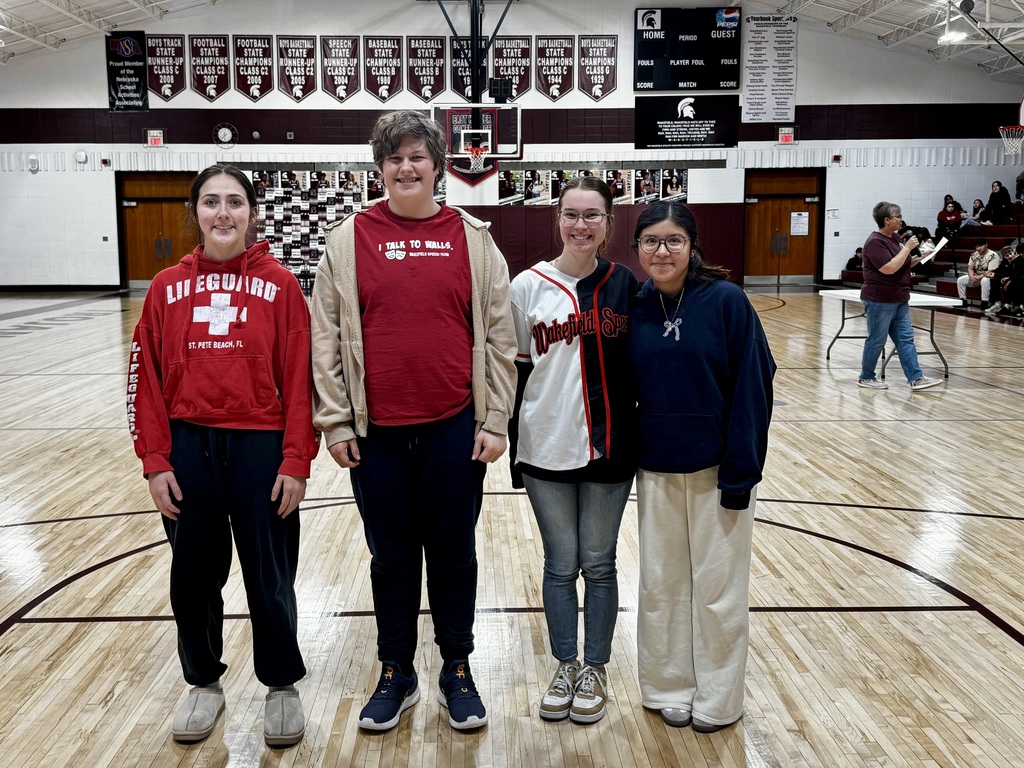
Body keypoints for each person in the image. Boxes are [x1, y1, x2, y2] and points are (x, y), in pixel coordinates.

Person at [310, 110, 517, 733]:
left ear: (438, 167)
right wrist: (336, 422)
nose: (407, 167)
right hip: (377, 437)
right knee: (391, 558)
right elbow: (326, 337)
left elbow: (502, 337)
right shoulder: (347, 241)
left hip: (457, 426)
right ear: (381, 168)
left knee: (454, 555)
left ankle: (457, 668)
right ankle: (396, 671)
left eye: (418, 157)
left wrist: (496, 418)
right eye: (395, 158)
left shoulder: (474, 240)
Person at [126, 163, 318, 747]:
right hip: (189, 447)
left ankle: (282, 684)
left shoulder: (281, 285)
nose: (223, 213)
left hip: (260, 445)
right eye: (211, 202)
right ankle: (203, 683)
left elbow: (300, 375)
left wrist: (295, 460)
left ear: (253, 212)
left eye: (235, 202)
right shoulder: (165, 286)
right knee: (191, 578)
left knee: (270, 576)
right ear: (196, 212)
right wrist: (155, 459)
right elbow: (146, 379)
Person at [627, 200, 776, 733]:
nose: (661, 251)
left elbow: (754, 390)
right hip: (657, 470)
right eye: (650, 241)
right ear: (637, 247)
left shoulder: (727, 302)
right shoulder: (636, 304)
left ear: (693, 248)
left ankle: (717, 697)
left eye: (673, 241)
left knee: (718, 593)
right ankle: (667, 685)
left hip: (720, 471)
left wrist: (742, 472)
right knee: (661, 586)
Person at [508, 176, 638, 725]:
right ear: (556, 219)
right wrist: (509, 445)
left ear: (608, 223)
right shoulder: (527, 287)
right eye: (570, 214)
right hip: (545, 446)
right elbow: (513, 372)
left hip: (611, 446)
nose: (580, 225)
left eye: (592, 215)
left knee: (600, 564)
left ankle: (596, 667)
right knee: (561, 565)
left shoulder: (626, 285)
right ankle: (566, 664)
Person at [857, 202, 943, 391]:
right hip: (880, 298)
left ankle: (915, 377)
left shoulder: (895, 238)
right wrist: (907, 248)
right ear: (887, 220)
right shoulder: (875, 242)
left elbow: (901, 264)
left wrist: (919, 258)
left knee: (905, 339)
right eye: (898, 216)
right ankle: (866, 377)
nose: (901, 220)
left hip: (899, 297)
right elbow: (888, 268)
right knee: (877, 339)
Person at [958, 238, 1000, 309]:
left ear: (986, 245)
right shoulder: (974, 254)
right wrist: (972, 278)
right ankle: (963, 300)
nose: (978, 248)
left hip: (990, 277)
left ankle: (984, 302)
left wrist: (979, 278)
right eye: (977, 246)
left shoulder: (993, 255)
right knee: (960, 280)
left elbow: (990, 270)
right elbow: (970, 268)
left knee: (985, 280)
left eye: (980, 246)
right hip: (977, 276)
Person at [984, 246, 1017, 315]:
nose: (1010, 256)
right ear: (1004, 257)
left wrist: (996, 275)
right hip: (1010, 277)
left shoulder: (1018, 260)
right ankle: (997, 303)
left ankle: (1008, 306)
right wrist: (991, 273)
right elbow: (1000, 269)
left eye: (1011, 253)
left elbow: (1012, 273)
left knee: (1003, 280)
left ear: (1014, 252)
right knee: (993, 279)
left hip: (1016, 278)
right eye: (1007, 256)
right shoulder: (1005, 261)